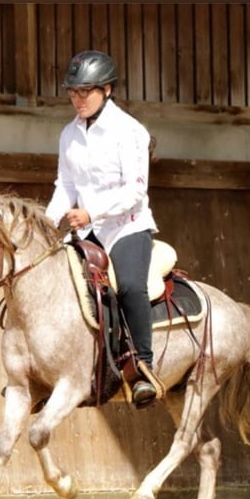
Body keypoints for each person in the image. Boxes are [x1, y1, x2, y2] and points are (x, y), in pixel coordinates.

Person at [45, 50, 161, 409]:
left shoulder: (130, 131)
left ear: (107, 90)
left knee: (128, 287)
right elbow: (65, 185)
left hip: (127, 227)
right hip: (87, 229)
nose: (77, 100)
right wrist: (47, 224)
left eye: (85, 92)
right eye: (73, 92)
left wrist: (90, 211)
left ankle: (143, 369)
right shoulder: (69, 134)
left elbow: (134, 192)